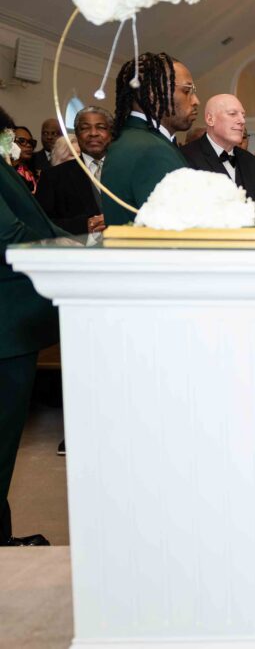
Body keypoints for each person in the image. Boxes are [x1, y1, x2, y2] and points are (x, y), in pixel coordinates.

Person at [0, 105, 66, 547]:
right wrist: (66, 247)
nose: (14, 147)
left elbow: (34, 222)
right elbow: (10, 233)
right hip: (7, 325)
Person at [101, 52, 197, 226]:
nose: (195, 100)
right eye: (187, 91)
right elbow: (176, 229)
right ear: (153, 92)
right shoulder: (152, 150)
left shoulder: (133, 138)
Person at [35, 106, 113, 235]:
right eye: (85, 128)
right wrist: (83, 226)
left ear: (111, 133)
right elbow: (39, 223)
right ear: (77, 134)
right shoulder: (54, 177)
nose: (93, 133)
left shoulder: (129, 170)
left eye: (100, 127)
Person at [180, 94, 255, 207]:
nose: (242, 120)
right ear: (210, 119)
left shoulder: (253, 163)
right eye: (232, 114)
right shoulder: (185, 157)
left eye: (243, 115)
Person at [12, 127, 38, 194]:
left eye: (31, 142)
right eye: (22, 141)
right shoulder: (6, 171)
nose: (29, 145)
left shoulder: (34, 172)